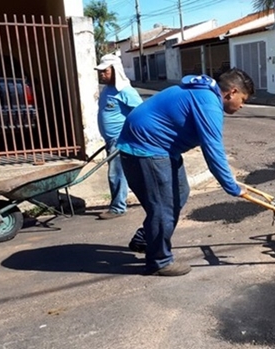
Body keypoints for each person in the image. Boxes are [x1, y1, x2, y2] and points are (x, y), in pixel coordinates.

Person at [116, 68, 254, 277]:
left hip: (159, 147)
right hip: (146, 148)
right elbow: (213, 150)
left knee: (179, 193)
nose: (242, 105)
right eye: (243, 99)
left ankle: (147, 237)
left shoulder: (204, 93)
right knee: (164, 206)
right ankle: (159, 261)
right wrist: (232, 187)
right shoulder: (208, 102)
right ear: (231, 92)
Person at [95, 54, 143, 219]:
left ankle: (117, 207)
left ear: (115, 71)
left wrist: (131, 134)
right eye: (100, 72)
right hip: (110, 140)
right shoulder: (107, 90)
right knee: (129, 172)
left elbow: (141, 113)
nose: (101, 74)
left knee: (115, 173)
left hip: (120, 139)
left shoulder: (126, 91)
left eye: (105, 71)